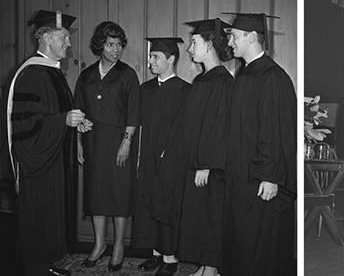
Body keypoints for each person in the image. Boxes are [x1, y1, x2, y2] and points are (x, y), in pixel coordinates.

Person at [7, 9, 80, 276]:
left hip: (53, 159)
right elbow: (27, 125)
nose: (69, 43)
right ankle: (36, 269)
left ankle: (47, 264)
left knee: (51, 215)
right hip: (37, 164)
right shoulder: (31, 74)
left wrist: (73, 122)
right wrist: (63, 121)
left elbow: (52, 114)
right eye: (64, 37)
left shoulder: (52, 72)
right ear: (46, 38)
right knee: (39, 216)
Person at [223, 13, 296, 276]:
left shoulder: (271, 77)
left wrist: (270, 176)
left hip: (260, 179)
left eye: (233, 36)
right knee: (243, 243)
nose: (229, 41)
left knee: (259, 246)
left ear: (251, 37)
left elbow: (274, 130)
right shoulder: (248, 73)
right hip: (243, 176)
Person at [162, 18, 234, 276]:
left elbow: (218, 128)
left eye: (194, 43)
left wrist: (206, 164)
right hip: (197, 163)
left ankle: (211, 269)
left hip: (210, 167)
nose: (190, 49)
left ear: (211, 44)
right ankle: (205, 266)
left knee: (211, 217)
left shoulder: (222, 82)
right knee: (201, 217)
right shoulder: (205, 79)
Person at [74, 21, 140, 272]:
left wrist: (126, 143)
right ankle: (99, 244)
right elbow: (78, 109)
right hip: (93, 142)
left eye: (119, 45)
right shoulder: (87, 75)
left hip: (119, 142)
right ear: (100, 45)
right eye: (110, 44)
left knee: (118, 194)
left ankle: (119, 246)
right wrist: (79, 141)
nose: (116, 49)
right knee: (97, 193)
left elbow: (134, 113)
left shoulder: (127, 74)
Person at [131, 37, 190, 276]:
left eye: (156, 57)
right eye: (150, 56)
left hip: (171, 159)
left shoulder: (186, 91)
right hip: (147, 157)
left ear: (172, 59)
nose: (150, 62)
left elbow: (186, 129)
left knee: (166, 205)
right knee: (148, 203)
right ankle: (155, 254)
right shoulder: (145, 90)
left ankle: (170, 259)